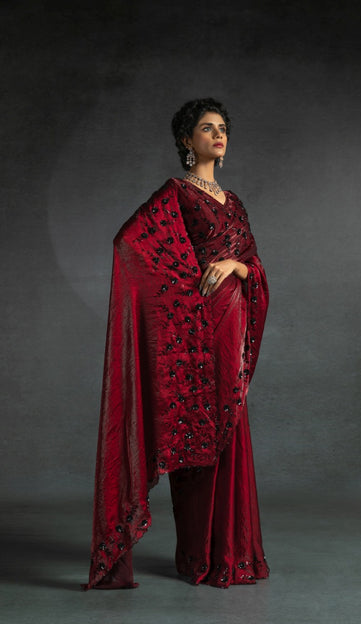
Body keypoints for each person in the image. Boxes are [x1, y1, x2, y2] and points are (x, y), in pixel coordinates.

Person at [82, 98, 270, 590]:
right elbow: (131, 244)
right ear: (187, 140)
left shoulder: (235, 202)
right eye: (207, 128)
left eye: (223, 127)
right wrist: (183, 294)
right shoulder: (176, 193)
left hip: (232, 325)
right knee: (199, 432)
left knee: (229, 428)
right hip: (198, 328)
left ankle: (233, 552)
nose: (218, 134)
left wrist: (234, 266)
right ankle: (199, 555)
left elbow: (253, 264)